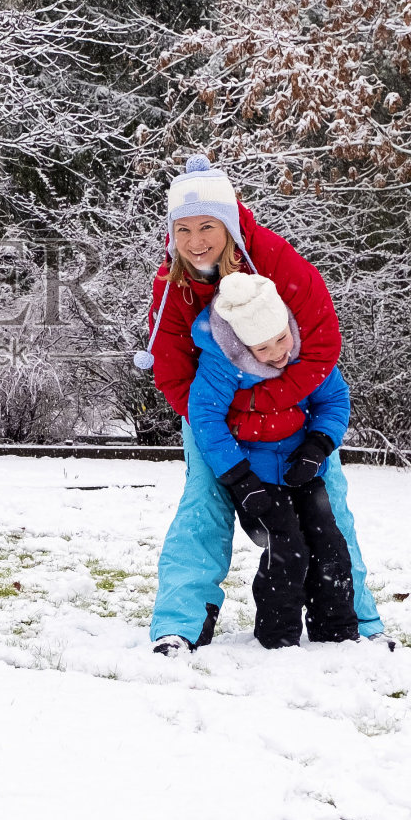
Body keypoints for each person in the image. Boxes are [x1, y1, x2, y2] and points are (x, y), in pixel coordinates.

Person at [134, 154, 386, 653]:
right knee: (201, 510)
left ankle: (358, 622)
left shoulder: (275, 260)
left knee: (329, 507)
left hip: (296, 412)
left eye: (208, 226)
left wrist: (287, 417)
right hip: (213, 420)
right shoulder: (174, 286)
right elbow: (172, 371)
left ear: (229, 223)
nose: (196, 241)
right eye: (182, 229)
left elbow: (318, 348)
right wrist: (230, 425)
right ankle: (180, 624)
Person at [174, 272, 359, 649]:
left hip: (302, 470)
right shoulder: (223, 366)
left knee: (330, 544)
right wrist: (239, 479)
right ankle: (278, 635)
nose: (277, 353)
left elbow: (334, 399)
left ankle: (336, 631)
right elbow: (206, 419)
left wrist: (317, 446)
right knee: (286, 546)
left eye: (281, 338)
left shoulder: (303, 354)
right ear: (242, 346)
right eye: (262, 348)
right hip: (254, 477)